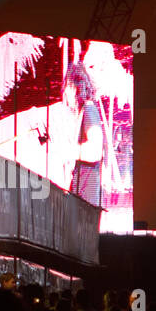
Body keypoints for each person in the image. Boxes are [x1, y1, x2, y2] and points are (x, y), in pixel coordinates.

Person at [64, 61, 105, 208]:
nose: (64, 94)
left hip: (86, 199)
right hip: (83, 196)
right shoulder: (84, 111)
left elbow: (95, 151)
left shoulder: (88, 109)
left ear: (74, 87)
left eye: (66, 88)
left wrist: (65, 150)